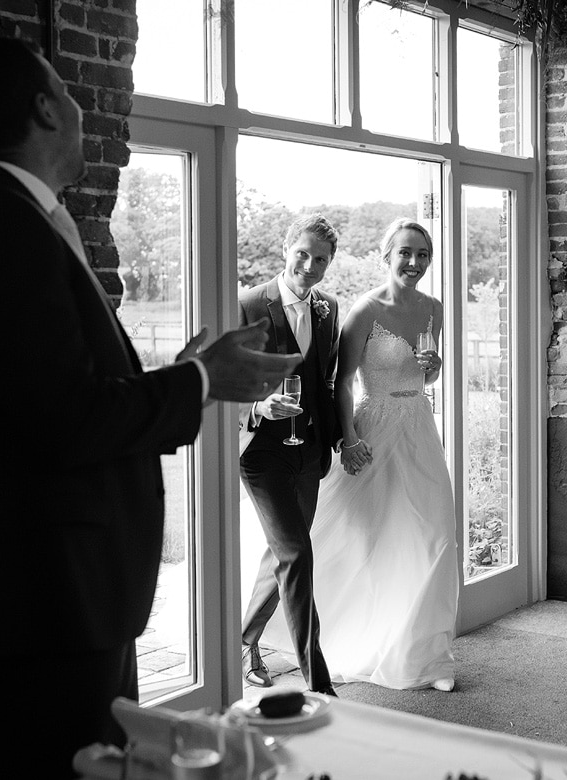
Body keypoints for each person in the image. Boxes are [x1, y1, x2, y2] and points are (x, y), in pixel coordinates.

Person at [0, 37, 299, 779]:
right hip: (44, 594)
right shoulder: (0, 228)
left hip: (57, 589)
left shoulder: (16, 219)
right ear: (42, 107)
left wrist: (190, 370)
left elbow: (55, 397)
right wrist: (199, 382)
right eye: (66, 87)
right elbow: (66, 421)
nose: (80, 105)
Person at [310, 218, 458, 690]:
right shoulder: (365, 310)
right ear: (386, 255)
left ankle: (428, 656)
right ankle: (359, 640)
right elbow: (342, 382)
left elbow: (426, 374)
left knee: (436, 534)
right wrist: (349, 439)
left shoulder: (434, 307)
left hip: (419, 427)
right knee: (373, 540)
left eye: (422, 255)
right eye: (405, 253)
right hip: (375, 432)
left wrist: (433, 370)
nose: (414, 263)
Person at [238, 214, 343, 696]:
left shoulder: (329, 308)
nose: (310, 264)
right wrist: (259, 405)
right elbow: (223, 377)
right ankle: (317, 682)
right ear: (285, 249)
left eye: (320, 258)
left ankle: (242, 642)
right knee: (297, 553)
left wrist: (339, 438)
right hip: (261, 453)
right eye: (302, 253)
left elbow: (324, 382)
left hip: (308, 452)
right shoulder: (245, 304)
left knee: (281, 554)